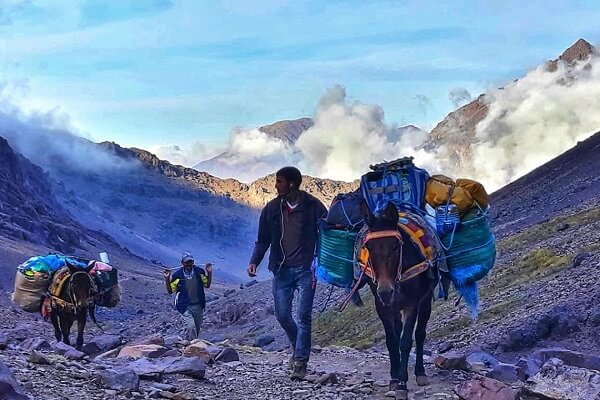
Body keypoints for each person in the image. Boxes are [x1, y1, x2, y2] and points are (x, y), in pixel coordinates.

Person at [247, 166, 327, 380]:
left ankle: (300, 362)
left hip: (306, 270)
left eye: (279, 181)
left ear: (292, 183)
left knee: (303, 316)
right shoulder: (272, 208)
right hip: (281, 271)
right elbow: (263, 239)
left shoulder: (313, 206)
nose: (275, 185)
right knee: (282, 315)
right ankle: (296, 345)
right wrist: (254, 262)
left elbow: (327, 232)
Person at [164, 252, 212, 341]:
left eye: (190, 261)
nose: (188, 264)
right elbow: (170, 291)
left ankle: (189, 345)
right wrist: (167, 278)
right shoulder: (177, 275)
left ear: (193, 262)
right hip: (184, 305)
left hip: (198, 305)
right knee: (191, 326)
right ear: (182, 263)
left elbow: (207, 285)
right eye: (186, 262)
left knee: (196, 329)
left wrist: (209, 273)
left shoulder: (199, 272)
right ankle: (190, 349)